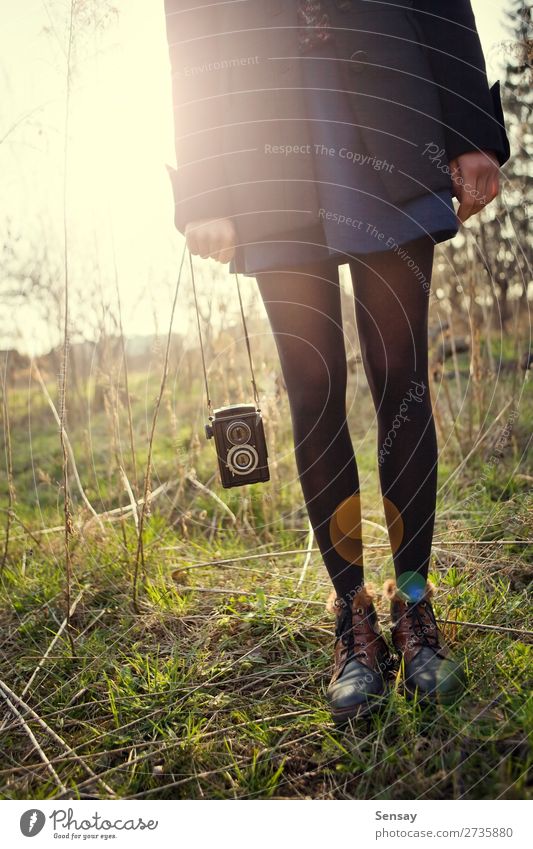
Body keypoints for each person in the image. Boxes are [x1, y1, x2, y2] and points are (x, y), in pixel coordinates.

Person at [163, 0, 510, 723]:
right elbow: (191, 28)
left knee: (400, 373)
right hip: (261, 136)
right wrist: (202, 184)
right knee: (312, 385)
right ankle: (352, 619)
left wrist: (472, 130)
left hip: (391, 104)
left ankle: (413, 602)